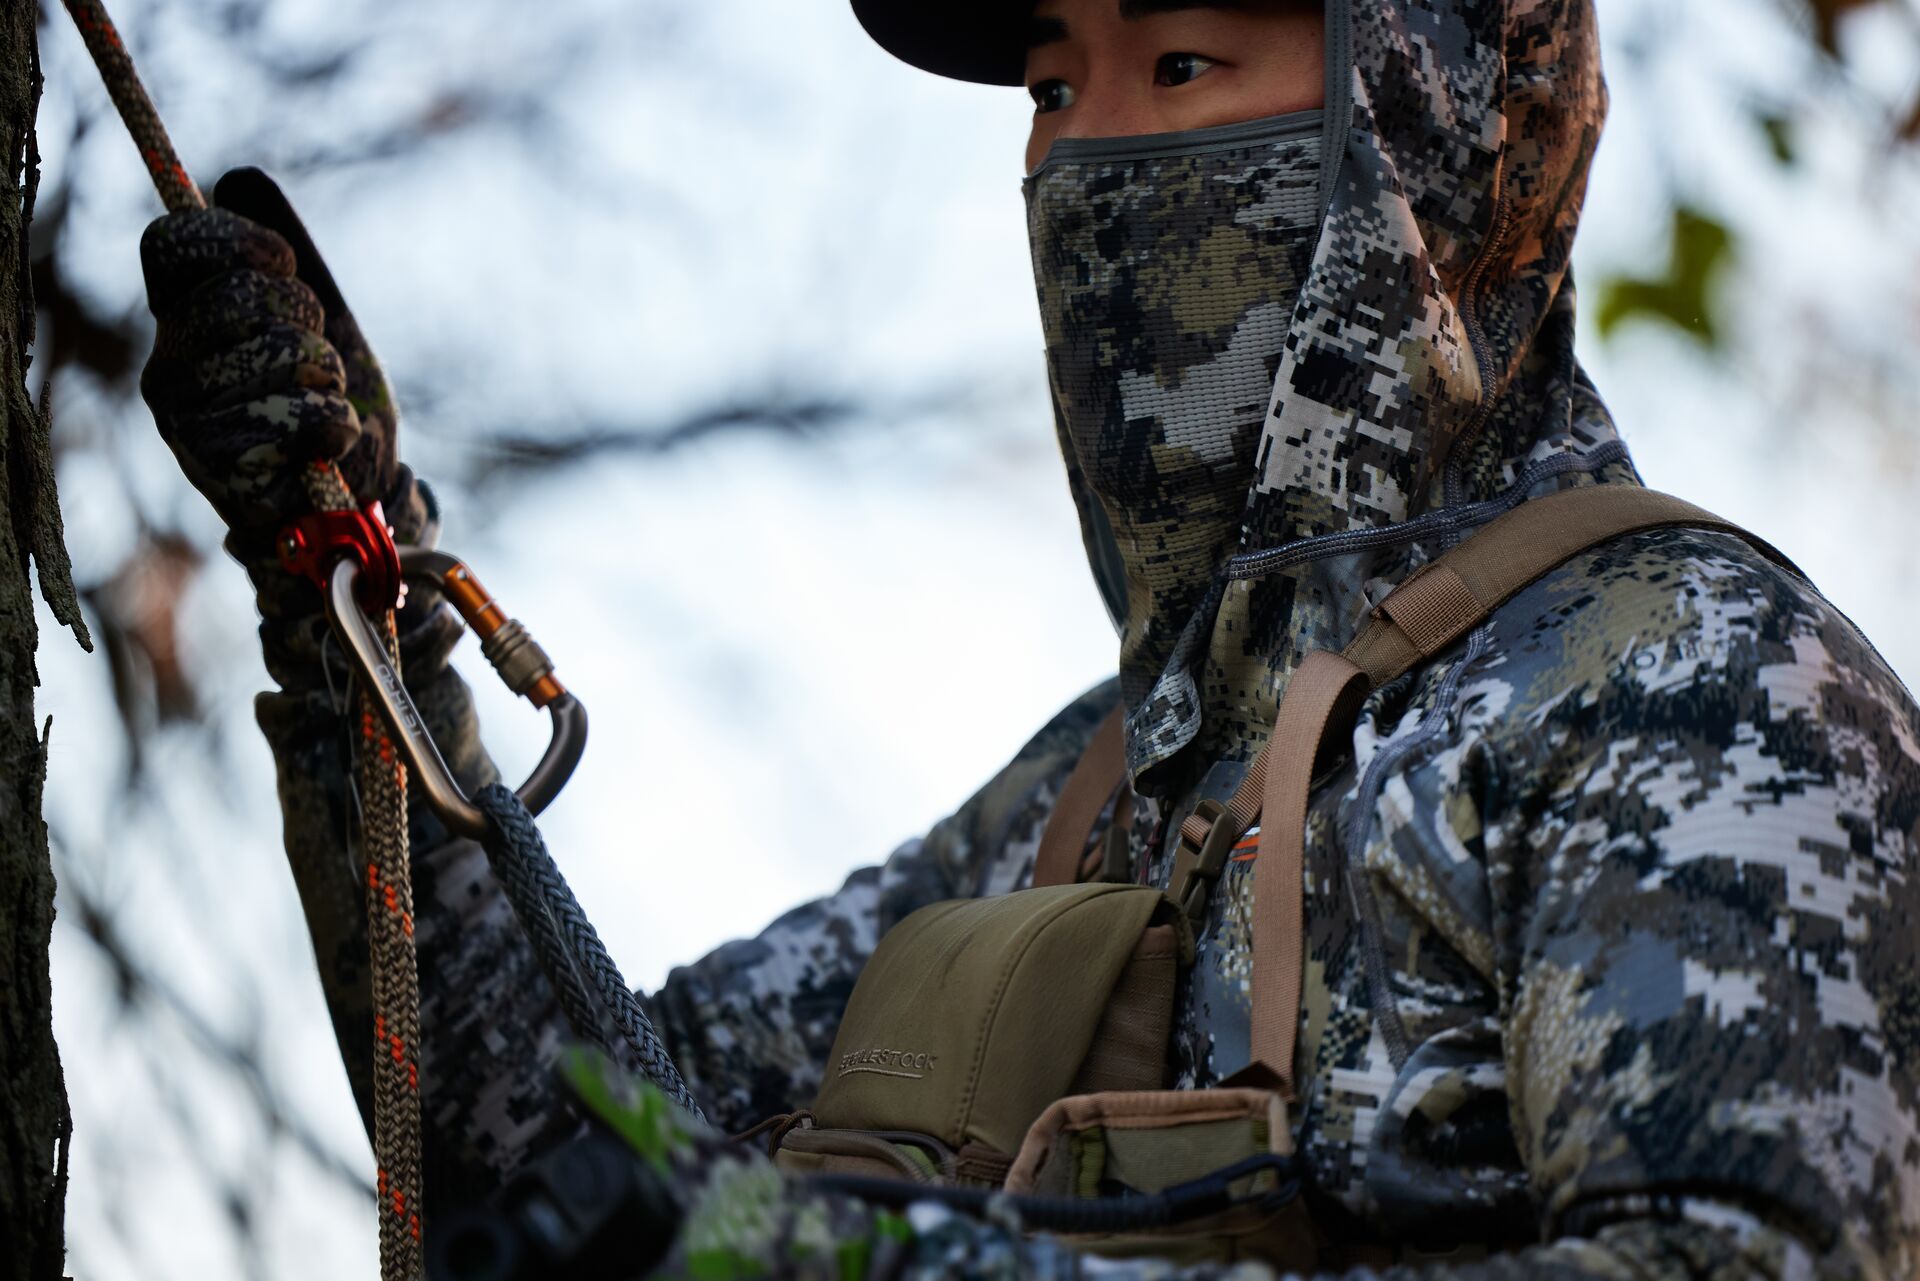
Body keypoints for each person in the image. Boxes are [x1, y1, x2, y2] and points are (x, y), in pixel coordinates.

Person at [138, 0, 1920, 1275]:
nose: (1090, 158)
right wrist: (349, 596)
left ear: (1426, 117)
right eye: (1054, 83)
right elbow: (568, 1157)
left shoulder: (1693, 685)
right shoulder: (1103, 779)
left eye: (1184, 63)